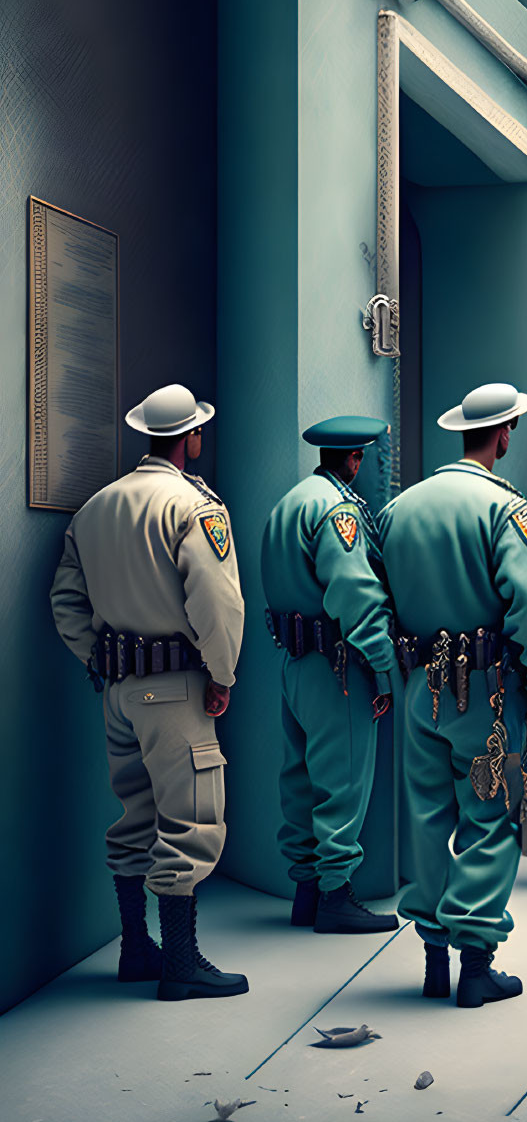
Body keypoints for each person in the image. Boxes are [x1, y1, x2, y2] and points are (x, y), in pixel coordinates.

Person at [49, 384, 248, 1001]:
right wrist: (222, 674)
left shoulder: (95, 510)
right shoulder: (193, 505)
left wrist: (103, 661)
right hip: (174, 690)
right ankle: (181, 964)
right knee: (190, 821)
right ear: (190, 438)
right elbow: (216, 601)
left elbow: (66, 603)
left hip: (118, 691)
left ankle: (137, 948)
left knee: (134, 817)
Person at [378, 383, 527, 1007]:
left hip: (419, 690)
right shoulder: (504, 510)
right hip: (486, 694)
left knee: (427, 818)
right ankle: (476, 962)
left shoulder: (398, 509)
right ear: (505, 434)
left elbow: (377, 601)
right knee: (492, 821)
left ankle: (434, 957)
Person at [260, 416, 398, 935]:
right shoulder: (338, 511)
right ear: (355, 459)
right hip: (338, 667)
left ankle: (306, 893)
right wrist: (382, 669)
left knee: (300, 781)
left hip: (295, 664)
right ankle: (336, 897)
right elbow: (354, 596)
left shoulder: (289, 504)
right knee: (342, 782)